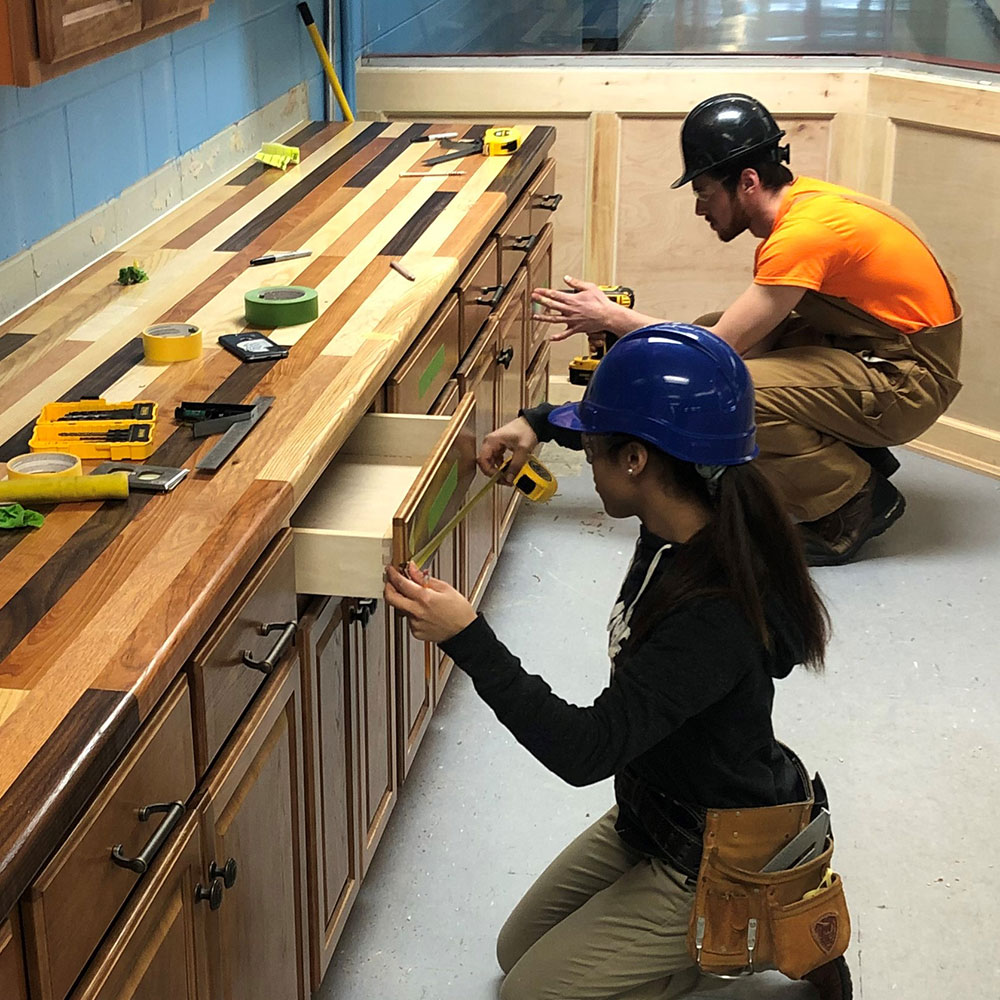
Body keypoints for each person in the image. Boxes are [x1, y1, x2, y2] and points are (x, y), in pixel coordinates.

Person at [384, 325, 850, 1000]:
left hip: (711, 847)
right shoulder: (684, 514)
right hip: (652, 809)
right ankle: (687, 937)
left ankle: (749, 924)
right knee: (515, 951)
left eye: (596, 450)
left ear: (635, 462)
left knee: (529, 995)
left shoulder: (710, 612)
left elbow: (585, 750)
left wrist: (468, 637)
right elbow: (634, 437)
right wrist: (538, 425)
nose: (589, 464)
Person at [521, 92, 962, 566]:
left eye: (704, 192)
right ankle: (849, 459)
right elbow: (729, 339)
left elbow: (718, 353)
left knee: (736, 390)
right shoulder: (804, 210)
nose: (699, 209)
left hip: (908, 381)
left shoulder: (802, 235)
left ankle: (851, 506)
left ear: (747, 182)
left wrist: (614, 319)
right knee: (712, 336)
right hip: (877, 354)